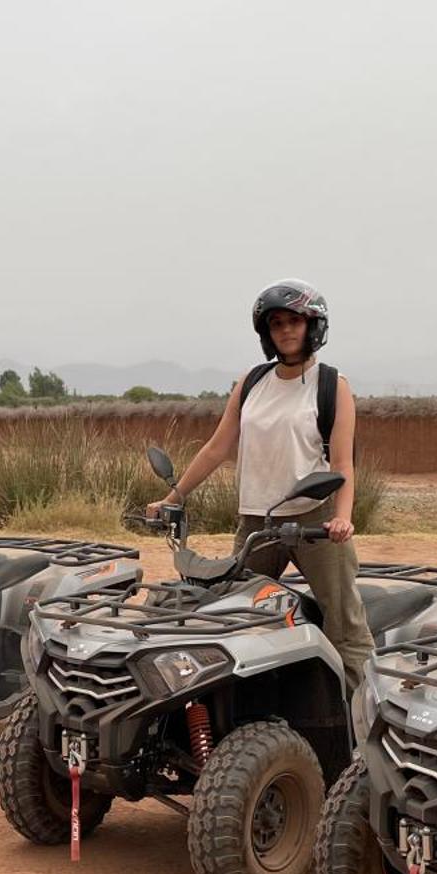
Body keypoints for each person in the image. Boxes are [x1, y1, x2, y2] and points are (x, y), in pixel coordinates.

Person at [146, 278, 373, 681]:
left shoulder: (332, 386)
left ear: (313, 326)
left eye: (294, 321)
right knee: (237, 618)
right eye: (276, 324)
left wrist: (342, 518)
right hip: (257, 521)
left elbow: (342, 464)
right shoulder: (252, 382)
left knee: (345, 624)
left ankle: (360, 723)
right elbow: (218, 447)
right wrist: (174, 496)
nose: (285, 330)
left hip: (314, 519)